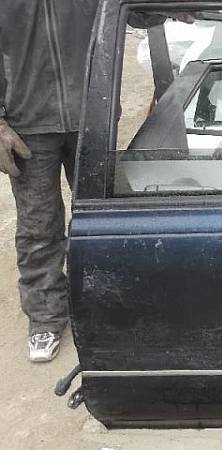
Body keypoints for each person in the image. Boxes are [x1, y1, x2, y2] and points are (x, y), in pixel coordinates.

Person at [0, 1, 104, 362]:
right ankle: (45, 316)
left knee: (101, 218)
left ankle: (104, 300)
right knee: (38, 226)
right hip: (27, 125)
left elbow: (136, 12)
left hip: (92, 116)